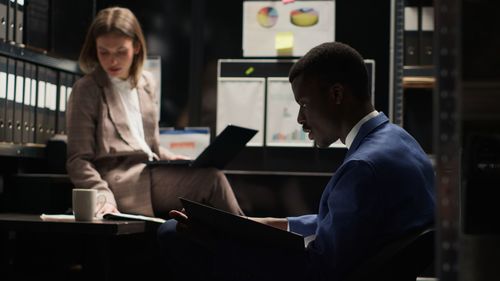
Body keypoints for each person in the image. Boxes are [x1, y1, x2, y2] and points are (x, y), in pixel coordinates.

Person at [157, 42, 436, 281]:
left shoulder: (363, 167)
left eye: (304, 104)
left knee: (173, 234)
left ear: (337, 95)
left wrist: (218, 241)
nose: (301, 120)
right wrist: (265, 224)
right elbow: (346, 223)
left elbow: (316, 270)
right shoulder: (399, 141)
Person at [66, 7, 243, 218]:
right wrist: (103, 196)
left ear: (137, 47)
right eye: (104, 52)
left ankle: (241, 243)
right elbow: (78, 160)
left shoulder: (146, 82)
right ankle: (250, 243)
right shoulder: (86, 89)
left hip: (151, 170)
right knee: (212, 180)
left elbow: (149, 145)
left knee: (211, 178)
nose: (112, 61)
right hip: (120, 180)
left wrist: (175, 159)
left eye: (121, 52)